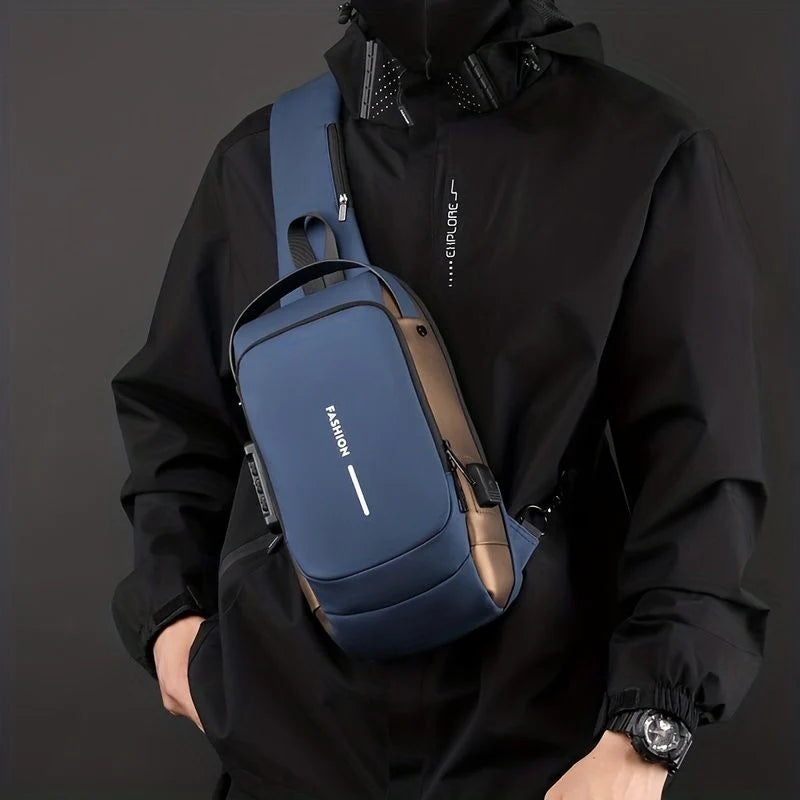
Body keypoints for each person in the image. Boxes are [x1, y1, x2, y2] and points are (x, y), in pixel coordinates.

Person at [110, 2, 771, 798]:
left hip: (545, 753)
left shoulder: (642, 151)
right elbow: (175, 415)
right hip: (288, 745)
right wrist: (171, 621)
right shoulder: (259, 160)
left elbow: (700, 466)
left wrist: (644, 737)